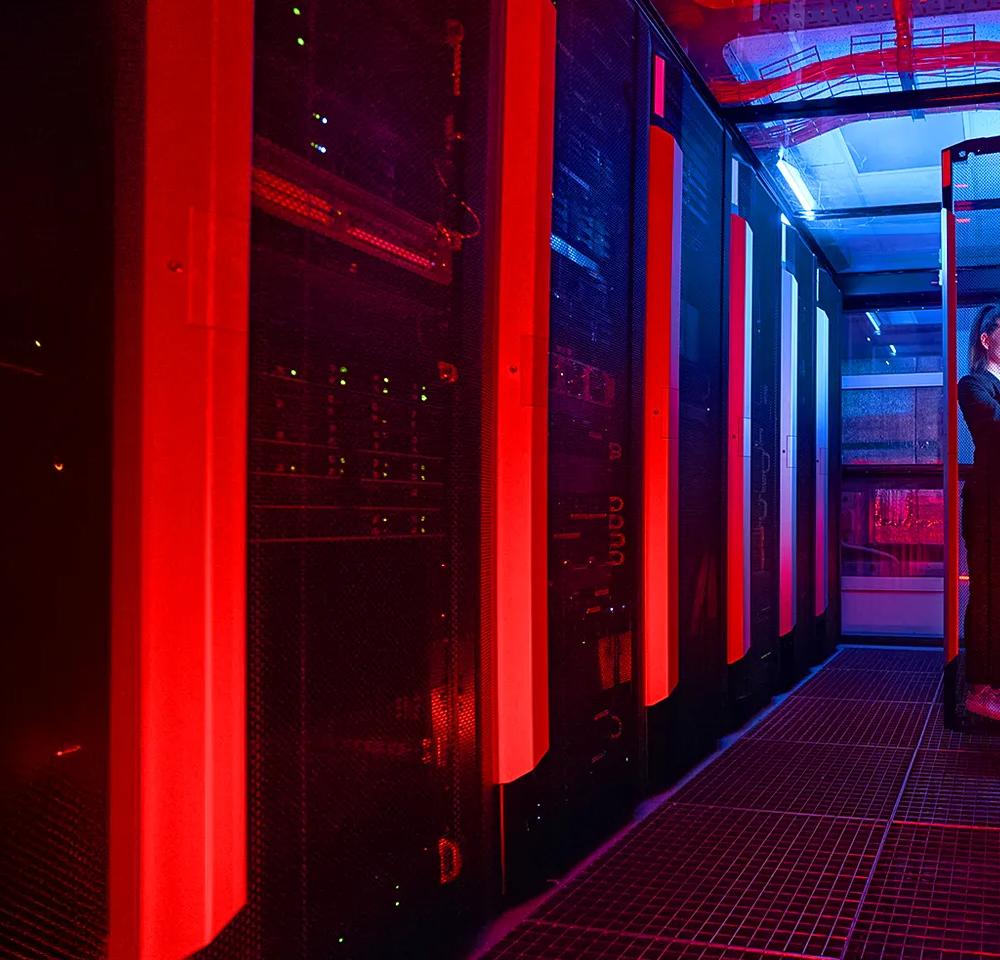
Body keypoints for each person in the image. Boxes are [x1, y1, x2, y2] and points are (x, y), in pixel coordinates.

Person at [958, 302, 1000, 720]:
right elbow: (994, 427)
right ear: (987, 340)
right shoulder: (972, 384)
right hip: (989, 510)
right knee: (987, 595)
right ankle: (979, 688)